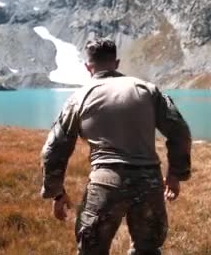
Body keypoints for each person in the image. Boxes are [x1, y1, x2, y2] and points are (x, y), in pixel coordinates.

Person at [40, 38, 192, 254]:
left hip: (105, 183)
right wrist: (176, 175)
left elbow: (53, 149)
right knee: (148, 250)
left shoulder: (79, 97)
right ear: (117, 63)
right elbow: (181, 132)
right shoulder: (148, 90)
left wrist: (56, 193)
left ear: (87, 67)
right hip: (150, 182)